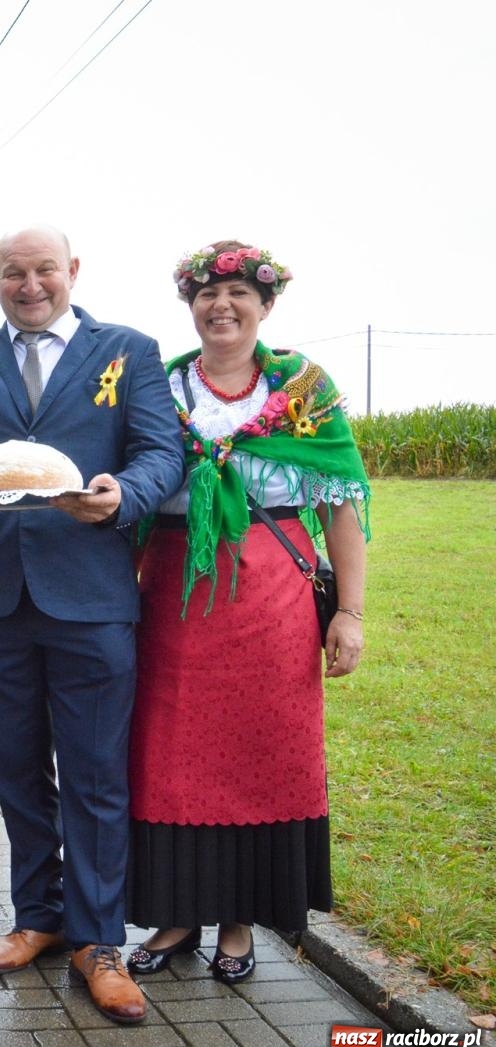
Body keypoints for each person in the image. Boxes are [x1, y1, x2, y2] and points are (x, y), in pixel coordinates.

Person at [0, 226, 184, 1025]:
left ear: (73, 271)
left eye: (43, 271)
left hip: (92, 597)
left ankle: (99, 940)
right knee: (20, 772)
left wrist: (122, 497)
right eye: (12, 274)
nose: (29, 285)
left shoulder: (127, 351)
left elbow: (160, 454)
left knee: (96, 775)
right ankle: (38, 916)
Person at [125, 242, 369, 984]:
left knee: (260, 752)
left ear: (266, 306)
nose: (220, 306)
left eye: (237, 293)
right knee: (166, 755)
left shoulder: (305, 391)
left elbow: (341, 504)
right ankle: (177, 913)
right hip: (172, 600)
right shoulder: (160, 388)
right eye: (206, 293)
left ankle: (237, 920)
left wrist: (349, 613)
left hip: (271, 601)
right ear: (190, 306)